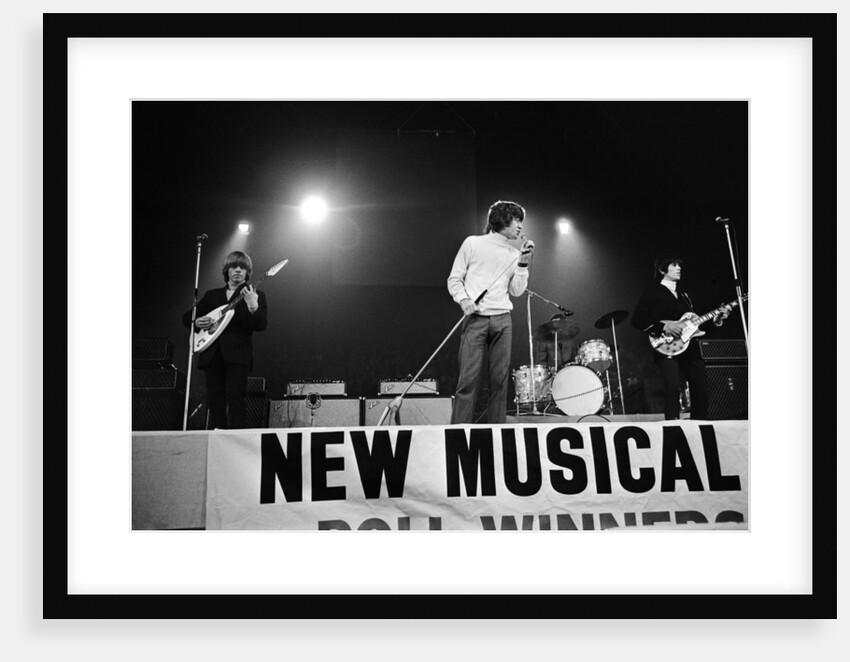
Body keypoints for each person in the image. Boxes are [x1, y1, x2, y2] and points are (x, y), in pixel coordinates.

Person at [447, 200, 535, 424]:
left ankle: (497, 433)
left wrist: (523, 263)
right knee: (468, 380)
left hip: (503, 321)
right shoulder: (473, 243)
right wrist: (464, 299)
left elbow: (516, 291)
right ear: (502, 218)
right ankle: (459, 433)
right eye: (517, 220)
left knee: (499, 382)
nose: (520, 227)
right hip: (475, 319)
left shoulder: (514, 252)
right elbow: (454, 279)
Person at [631, 257, 729, 420]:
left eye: (679, 266)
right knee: (672, 389)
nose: (678, 268)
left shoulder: (684, 295)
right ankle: (673, 429)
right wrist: (664, 327)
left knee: (701, 391)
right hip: (667, 346)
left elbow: (695, 325)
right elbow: (637, 320)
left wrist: (717, 319)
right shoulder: (652, 292)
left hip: (690, 348)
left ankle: (699, 427)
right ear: (662, 270)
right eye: (674, 265)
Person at [183, 250, 268, 429]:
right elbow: (187, 318)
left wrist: (253, 305)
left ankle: (237, 439)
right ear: (226, 271)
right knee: (215, 399)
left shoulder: (255, 294)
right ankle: (217, 436)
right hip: (212, 354)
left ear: (247, 272)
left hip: (238, 354)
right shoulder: (212, 295)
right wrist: (197, 321)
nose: (237, 270)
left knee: (236, 396)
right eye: (233, 267)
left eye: (242, 268)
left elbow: (261, 325)